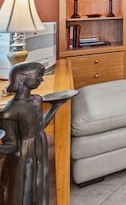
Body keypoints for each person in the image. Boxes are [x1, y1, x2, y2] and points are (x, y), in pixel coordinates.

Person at [0, 62, 76, 205]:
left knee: (39, 186)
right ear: (22, 78)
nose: (41, 80)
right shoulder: (9, 112)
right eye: (38, 76)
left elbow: (40, 125)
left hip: (39, 146)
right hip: (22, 156)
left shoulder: (36, 100)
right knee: (22, 190)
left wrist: (56, 105)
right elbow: (11, 145)